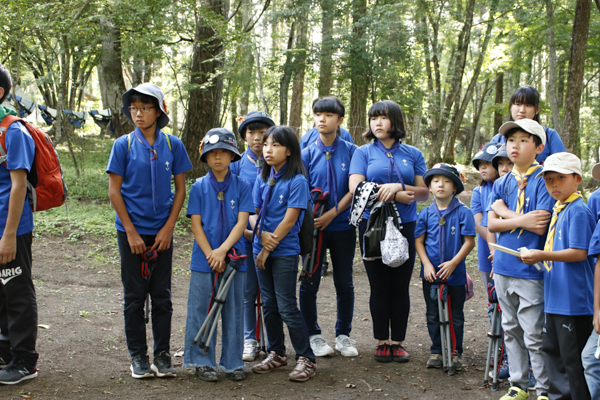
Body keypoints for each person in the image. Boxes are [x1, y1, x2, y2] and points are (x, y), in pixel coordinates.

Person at [106, 83, 192, 379]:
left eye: (145, 108)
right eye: (133, 108)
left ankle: (162, 354)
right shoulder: (123, 145)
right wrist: (130, 231)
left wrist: (168, 227)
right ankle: (138, 356)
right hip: (131, 231)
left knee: (162, 295)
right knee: (134, 295)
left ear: (158, 111)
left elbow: (180, 189)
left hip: (162, 233)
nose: (138, 114)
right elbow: (114, 192)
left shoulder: (172, 145)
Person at [349, 100, 428, 363]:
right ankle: (382, 341)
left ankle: (399, 342)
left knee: (401, 285)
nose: (377, 123)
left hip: (406, 226)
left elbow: (424, 192)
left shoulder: (413, 153)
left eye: (383, 118)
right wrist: (395, 194)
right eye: (373, 118)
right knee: (379, 285)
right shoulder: (363, 152)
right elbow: (355, 189)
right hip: (372, 226)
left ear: (395, 121)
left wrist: (397, 186)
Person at [486, 119, 553, 400]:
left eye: (524, 140)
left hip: (531, 269)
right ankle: (518, 385)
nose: (515, 145)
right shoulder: (501, 182)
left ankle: (544, 389)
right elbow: (491, 224)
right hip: (502, 266)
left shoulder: (546, 180)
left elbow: (540, 225)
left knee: (534, 333)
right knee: (510, 329)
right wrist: (520, 218)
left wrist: (505, 213)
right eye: (511, 139)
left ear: (539, 147)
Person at [520, 152, 594, 400]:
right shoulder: (559, 208)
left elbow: (580, 253)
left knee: (572, 361)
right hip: (555, 297)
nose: (553, 184)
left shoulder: (579, 210)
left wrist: (542, 255)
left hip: (574, 302)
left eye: (560, 178)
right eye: (548, 179)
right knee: (552, 352)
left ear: (577, 179)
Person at [184, 128, 254, 382]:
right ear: (205, 156)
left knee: (234, 310)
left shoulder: (243, 186)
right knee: (201, 309)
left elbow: (242, 222)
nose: (218, 157)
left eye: (224, 152)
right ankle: (202, 362)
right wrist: (211, 254)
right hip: (204, 261)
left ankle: (234, 362)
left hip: (235, 259)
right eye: (212, 153)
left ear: (233, 156)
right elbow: (196, 225)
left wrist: (223, 250)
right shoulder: (199, 187)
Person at [250, 126, 316, 382]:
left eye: (276, 145)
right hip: (261, 246)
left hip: (284, 251)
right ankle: (277, 353)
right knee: (269, 305)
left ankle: (306, 358)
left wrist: (267, 247)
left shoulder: (297, 180)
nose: (268, 149)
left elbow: (290, 220)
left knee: (287, 305)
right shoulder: (262, 176)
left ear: (289, 150)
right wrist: (261, 235)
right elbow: (254, 212)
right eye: (266, 144)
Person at [299, 96, 358, 358]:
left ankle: (343, 335)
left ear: (340, 120)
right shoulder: (306, 152)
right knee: (309, 281)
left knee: (344, 282)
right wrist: (314, 219)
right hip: (313, 229)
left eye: (329, 115)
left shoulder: (351, 150)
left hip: (343, 226)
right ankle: (312, 335)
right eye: (318, 114)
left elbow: (354, 189)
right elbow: (300, 189)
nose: (322, 119)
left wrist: (333, 213)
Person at [415, 163, 475, 370]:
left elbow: (469, 241)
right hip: (430, 275)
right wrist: (426, 265)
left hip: (455, 275)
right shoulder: (424, 214)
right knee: (432, 313)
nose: (441, 185)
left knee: (455, 314)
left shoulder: (463, 212)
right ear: (430, 187)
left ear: (455, 187)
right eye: (436, 181)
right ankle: (437, 351)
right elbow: (419, 242)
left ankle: (456, 352)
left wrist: (454, 263)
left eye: (447, 181)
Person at [0, 65, 38, 384]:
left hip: (11, 228)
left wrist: (9, 235)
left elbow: (18, 185)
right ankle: (5, 351)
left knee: (16, 290)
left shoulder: (13, 131)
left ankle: (25, 360)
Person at [230, 111, 275, 362]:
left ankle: (274, 339)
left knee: (270, 292)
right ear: (244, 136)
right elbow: (235, 203)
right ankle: (250, 339)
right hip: (245, 236)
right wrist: (248, 231)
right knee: (249, 291)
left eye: (262, 132)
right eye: (251, 132)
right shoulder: (236, 165)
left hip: (272, 239)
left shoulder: (278, 163)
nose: (257, 138)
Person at [490, 85, 565, 164]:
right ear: (511, 106)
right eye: (518, 104)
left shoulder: (549, 135)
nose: (522, 110)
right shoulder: (498, 139)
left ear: (537, 110)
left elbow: (562, 165)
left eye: (528, 105)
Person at [471, 142, 502, 291]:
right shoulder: (479, 191)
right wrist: (494, 247)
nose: (483, 167)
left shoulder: (509, 187)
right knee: (492, 295)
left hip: (510, 249)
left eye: (488, 163)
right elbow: (478, 223)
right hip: (487, 253)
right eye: (480, 164)